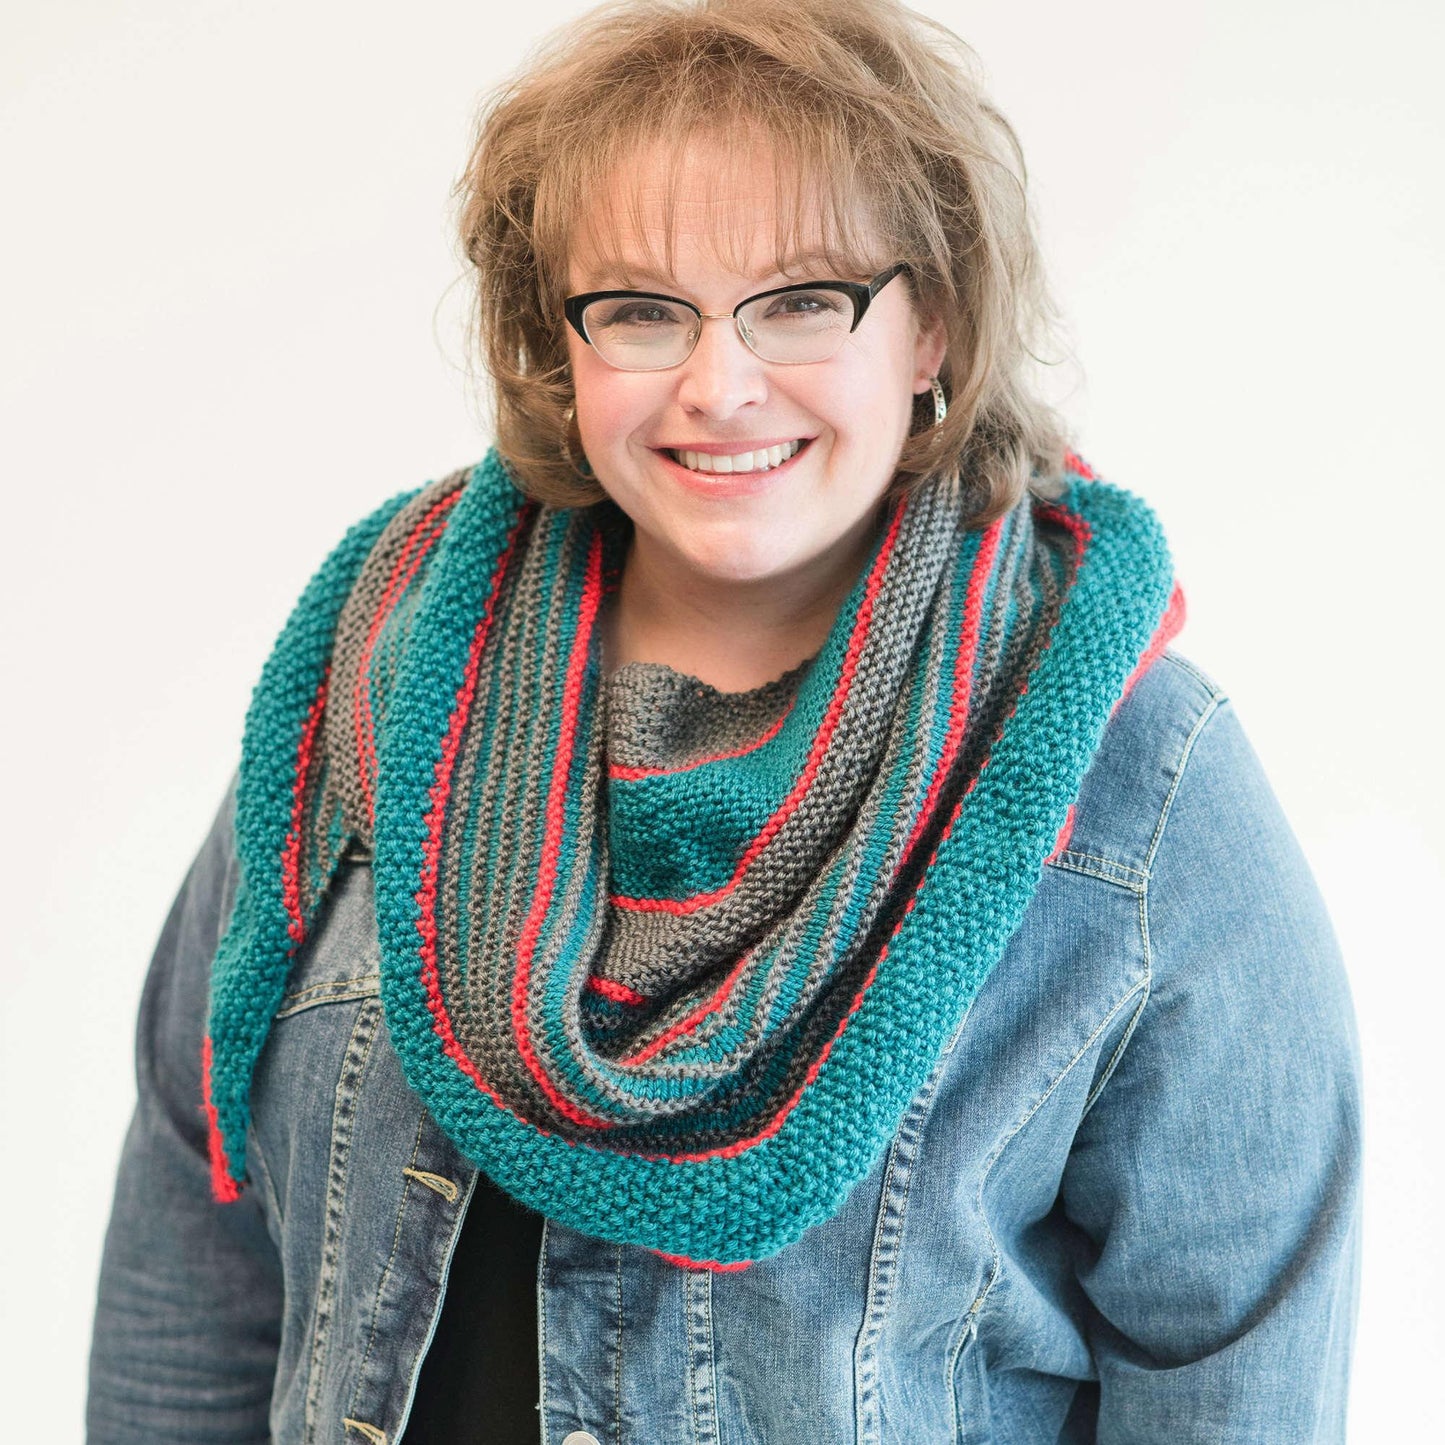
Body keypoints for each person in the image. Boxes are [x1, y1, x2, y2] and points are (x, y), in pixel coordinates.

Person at [86, 0, 1362, 1440]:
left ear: (931, 318)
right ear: (558, 350)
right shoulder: (377, 679)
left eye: (802, 298)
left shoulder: (1132, 780)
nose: (718, 382)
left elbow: (1230, 1370)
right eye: (639, 307)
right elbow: (195, 1247)